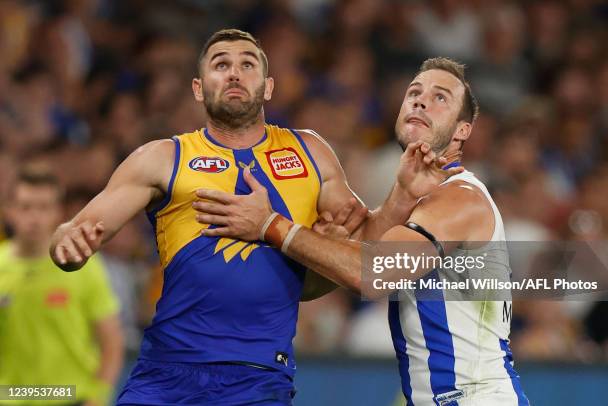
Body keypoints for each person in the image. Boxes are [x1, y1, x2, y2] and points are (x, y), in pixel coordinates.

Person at [49, 29, 458, 405]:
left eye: (248, 64)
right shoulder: (162, 158)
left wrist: (399, 196)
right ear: (198, 88)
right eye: (220, 64)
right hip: (165, 373)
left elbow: (364, 251)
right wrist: (67, 245)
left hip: (259, 378)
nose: (234, 74)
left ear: (268, 87)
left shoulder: (309, 153)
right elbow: (77, 232)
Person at [194, 57, 530, 405]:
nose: (420, 100)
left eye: (440, 97)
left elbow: (369, 273)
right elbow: (337, 269)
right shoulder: (425, 200)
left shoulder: (460, 199)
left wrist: (270, 224)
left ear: (462, 130)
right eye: (414, 92)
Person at [0, 167, 123, 406]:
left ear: (58, 212)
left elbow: (112, 342)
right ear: (9, 211)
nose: (34, 217)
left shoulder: (82, 264)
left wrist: (98, 396)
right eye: (26, 207)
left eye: (44, 207)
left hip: (72, 397)